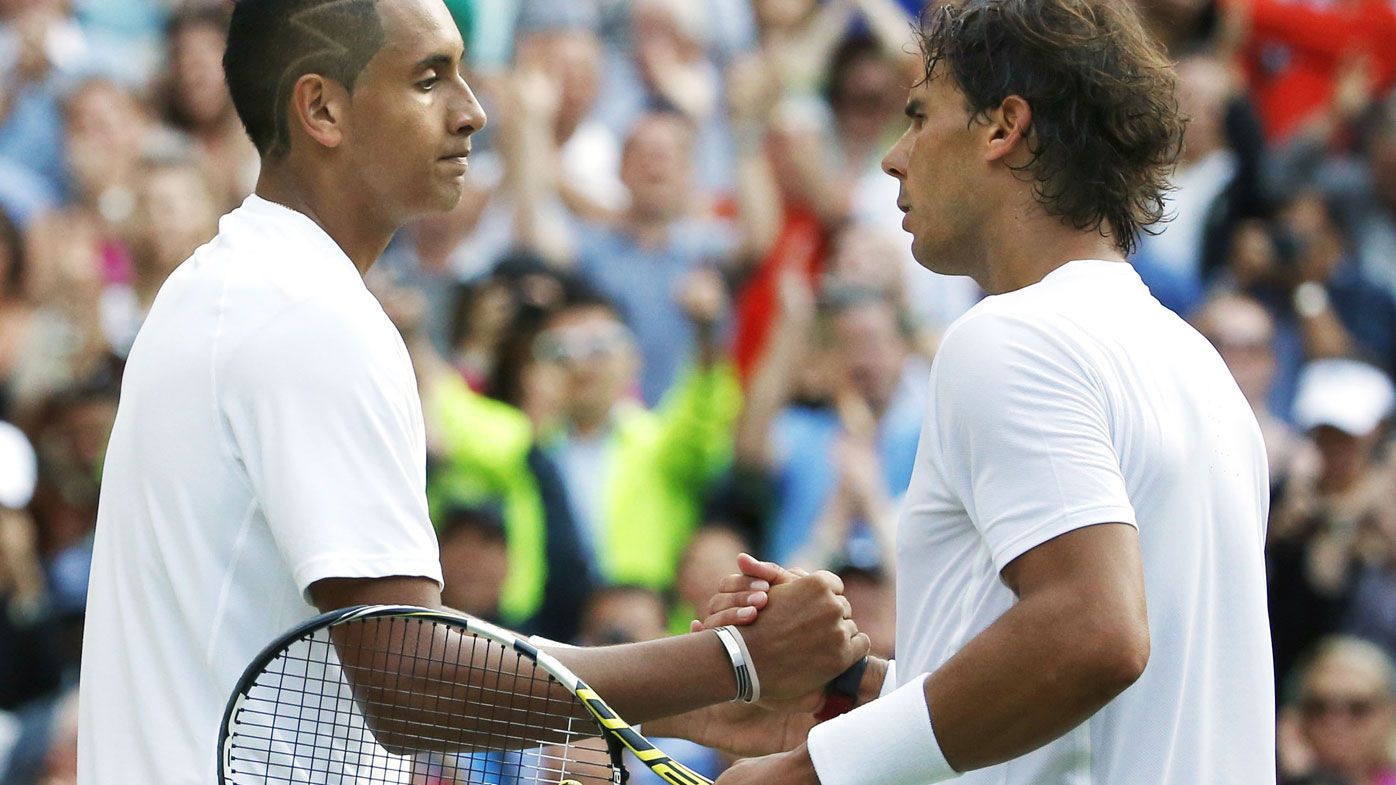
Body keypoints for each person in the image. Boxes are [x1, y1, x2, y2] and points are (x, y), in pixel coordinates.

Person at [74, 2, 868, 784]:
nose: (474, 112)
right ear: (322, 108)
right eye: (430, 79)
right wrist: (730, 662)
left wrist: (672, 703)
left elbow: (374, 655)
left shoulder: (218, 286)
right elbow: (410, 683)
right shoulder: (309, 315)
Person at [698, 1, 1274, 783]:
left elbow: (1094, 634)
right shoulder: (1201, 367)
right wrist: (851, 687)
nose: (894, 159)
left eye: (919, 116)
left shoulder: (1014, 336)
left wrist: (815, 771)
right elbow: (1079, 710)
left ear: (1003, 127)